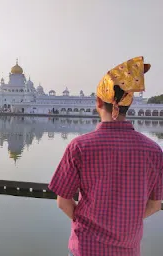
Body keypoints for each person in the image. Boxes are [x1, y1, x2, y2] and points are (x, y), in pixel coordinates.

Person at [48, 56, 163, 256]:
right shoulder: (153, 151)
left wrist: (91, 223)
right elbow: (155, 205)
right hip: (128, 250)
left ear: (99, 101)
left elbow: (63, 201)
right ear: (130, 103)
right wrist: (126, 221)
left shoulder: (80, 147)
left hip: (86, 248)